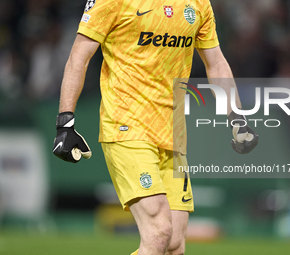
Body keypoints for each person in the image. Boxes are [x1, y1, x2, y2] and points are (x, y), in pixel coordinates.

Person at [52, 0, 258, 254]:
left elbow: (215, 63)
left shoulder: (198, 4)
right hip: (127, 124)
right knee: (159, 232)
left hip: (173, 131)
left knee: (174, 246)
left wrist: (236, 118)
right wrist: (65, 122)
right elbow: (79, 57)